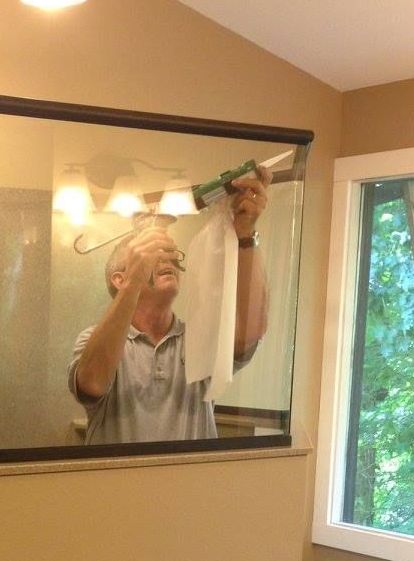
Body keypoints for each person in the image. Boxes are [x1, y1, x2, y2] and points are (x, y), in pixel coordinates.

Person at [68, 166, 272, 444]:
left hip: (191, 487)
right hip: (116, 489)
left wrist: (246, 233)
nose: (168, 260)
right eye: (153, 256)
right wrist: (136, 277)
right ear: (119, 279)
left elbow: (251, 331)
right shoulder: (91, 340)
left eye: (171, 255)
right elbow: (92, 381)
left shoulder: (198, 338)